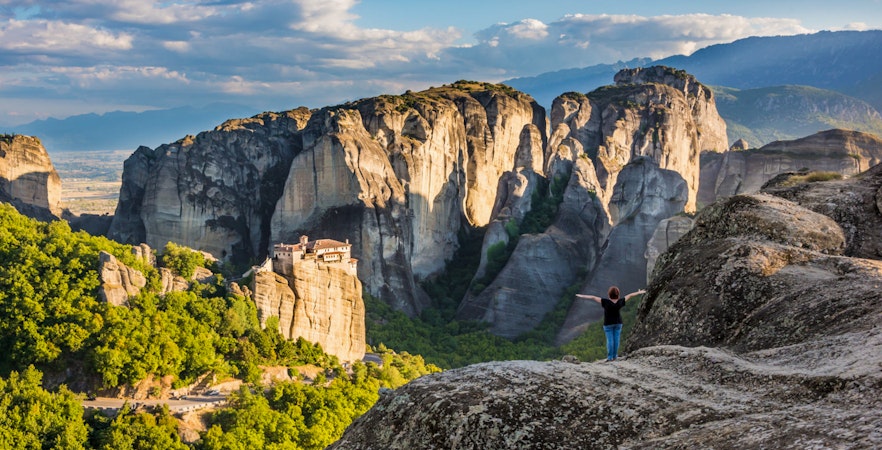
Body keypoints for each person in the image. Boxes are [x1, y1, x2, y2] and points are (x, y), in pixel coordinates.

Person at [576, 286, 647, 361]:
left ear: (609, 294)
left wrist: (582, 296)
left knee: (610, 340)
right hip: (618, 323)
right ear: (618, 294)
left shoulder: (605, 302)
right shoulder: (620, 302)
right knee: (616, 340)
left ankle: (610, 357)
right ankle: (615, 356)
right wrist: (639, 292)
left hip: (608, 324)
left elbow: (593, 297)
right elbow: (630, 295)